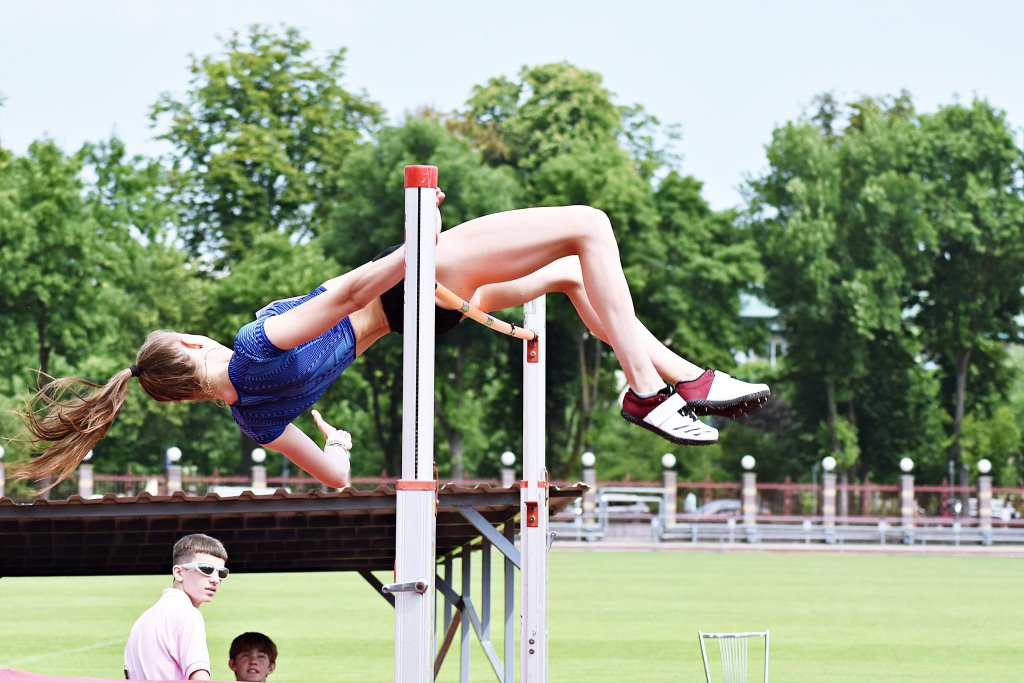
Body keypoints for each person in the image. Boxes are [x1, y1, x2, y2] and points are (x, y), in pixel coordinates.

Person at [15, 193, 769, 489]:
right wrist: (418, 236)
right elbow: (348, 293)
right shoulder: (251, 346)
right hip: (413, 286)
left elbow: (337, 477)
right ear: (191, 344)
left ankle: (691, 379)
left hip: (418, 317)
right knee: (591, 227)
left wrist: (338, 443)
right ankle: (647, 391)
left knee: (576, 273)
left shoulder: (254, 419)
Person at [124, 533, 229, 681]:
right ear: (179, 572)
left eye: (221, 573)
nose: (215, 579)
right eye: (206, 569)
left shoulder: (144, 618)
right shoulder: (189, 615)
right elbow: (200, 678)